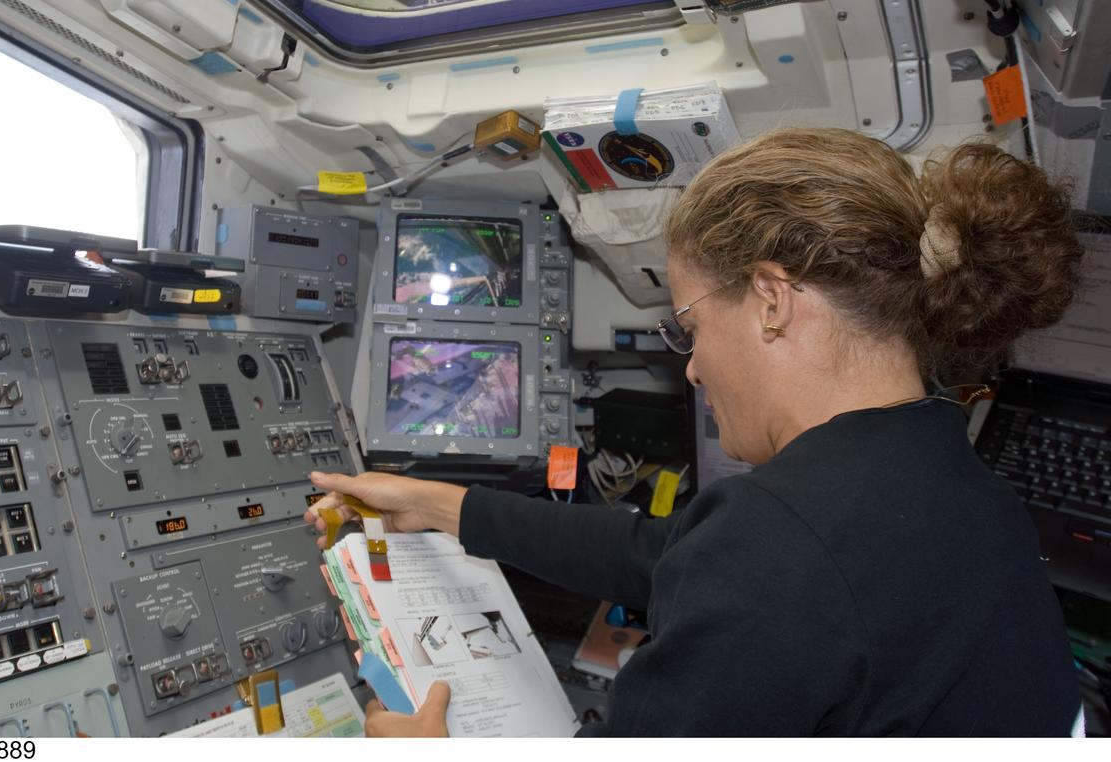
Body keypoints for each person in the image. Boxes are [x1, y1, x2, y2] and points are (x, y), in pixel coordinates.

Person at [305, 128, 1086, 736]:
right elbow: (666, 553)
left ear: (772, 300)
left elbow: (741, 563)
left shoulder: (778, 539)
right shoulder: (961, 484)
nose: (693, 369)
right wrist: (437, 505)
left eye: (691, 328)